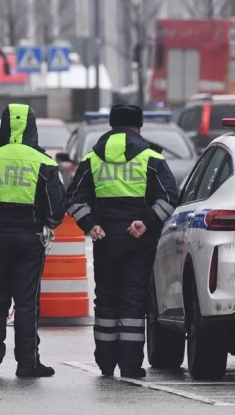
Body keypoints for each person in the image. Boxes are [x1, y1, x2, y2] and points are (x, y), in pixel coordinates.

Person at [65, 104, 179, 378]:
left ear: (111, 126)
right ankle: (129, 365)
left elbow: (73, 200)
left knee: (105, 300)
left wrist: (91, 225)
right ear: (139, 126)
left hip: (104, 238)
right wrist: (147, 222)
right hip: (137, 238)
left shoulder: (92, 159)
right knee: (133, 301)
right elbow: (168, 198)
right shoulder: (151, 158)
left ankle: (105, 363)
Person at [0, 103, 65, 378]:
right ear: (31, 127)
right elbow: (56, 212)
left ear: (5, 126)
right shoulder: (44, 163)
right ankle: (27, 363)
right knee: (26, 303)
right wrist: (44, 223)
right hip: (30, 239)